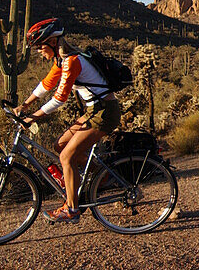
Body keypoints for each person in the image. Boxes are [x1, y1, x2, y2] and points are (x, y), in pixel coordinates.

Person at [13, 18, 121, 223]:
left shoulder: (72, 61)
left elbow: (59, 99)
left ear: (53, 42)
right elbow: (47, 84)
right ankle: (103, 177)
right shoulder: (61, 61)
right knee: (60, 145)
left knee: (66, 158)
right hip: (94, 110)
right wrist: (25, 105)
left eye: (40, 46)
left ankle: (72, 209)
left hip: (104, 112)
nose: (38, 51)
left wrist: (33, 116)